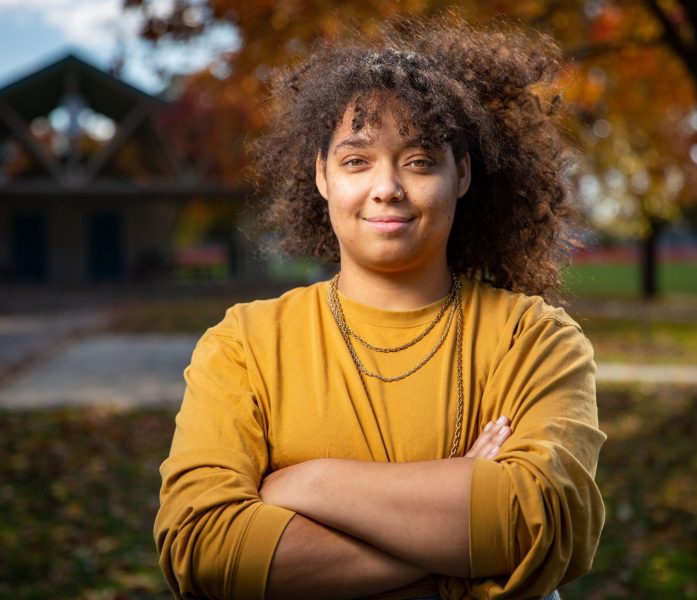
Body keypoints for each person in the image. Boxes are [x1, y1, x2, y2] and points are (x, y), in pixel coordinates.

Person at [155, 15, 606, 600]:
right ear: (321, 175)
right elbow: (202, 547)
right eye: (356, 160)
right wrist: (458, 541)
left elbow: (543, 525)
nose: (387, 187)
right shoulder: (245, 344)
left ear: (462, 174)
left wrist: (306, 483)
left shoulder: (534, 339)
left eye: (419, 161)